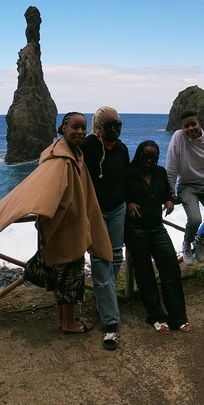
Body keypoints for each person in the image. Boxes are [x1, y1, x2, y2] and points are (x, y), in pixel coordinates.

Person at [0, 112, 112, 334]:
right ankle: (69, 324)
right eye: (74, 127)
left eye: (83, 128)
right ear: (63, 129)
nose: (80, 132)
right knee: (69, 278)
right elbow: (39, 188)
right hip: (65, 229)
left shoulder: (72, 153)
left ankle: (63, 320)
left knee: (58, 276)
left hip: (60, 227)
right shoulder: (61, 159)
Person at [124, 141, 189, 334]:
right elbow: (119, 194)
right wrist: (128, 203)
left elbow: (165, 193)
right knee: (145, 274)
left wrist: (169, 200)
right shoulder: (128, 172)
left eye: (153, 157)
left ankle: (178, 316)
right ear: (138, 154)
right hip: (135, 229)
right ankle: (156, 316)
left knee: (171, 269)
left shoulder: (160, 172)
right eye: (145, 156)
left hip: (157, 227)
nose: (149, 160)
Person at [79, 107, 129, 350]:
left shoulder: (121, 148)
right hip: (95, 212)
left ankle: (103, 300)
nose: (114, 129)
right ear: (98, 127)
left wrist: (133, 202)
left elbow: (127, 178)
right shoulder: (87, 147)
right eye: (108, 126)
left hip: (119, 208)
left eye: (117, 124)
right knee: (101, 261)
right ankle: (111, 322)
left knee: (116, 257)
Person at [165, 110, 204, 266]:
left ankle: (199, 241)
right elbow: (171, 167)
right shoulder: (178, 137)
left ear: (199, 123)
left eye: (193, 124)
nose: (190, 128)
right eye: (186, 126)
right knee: (195, 219)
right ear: (182, 128)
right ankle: (187, 243)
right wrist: (170, 194)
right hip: (186, 187)